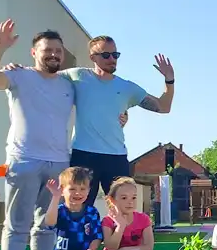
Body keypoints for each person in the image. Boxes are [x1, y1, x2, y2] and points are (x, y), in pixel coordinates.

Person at [0, 22, 128, 250]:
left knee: (47, 226)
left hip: (59, 164)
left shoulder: (68, 83)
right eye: (47, 49)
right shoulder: (18, 75)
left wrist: (121, 116)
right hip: (24, 160)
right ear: (34, 53)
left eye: (58, 51)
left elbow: (99, 103)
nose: (53, 54)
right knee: (17, 225)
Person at [64, 35, 175, 206]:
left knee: (124, 209)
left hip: (115, 157)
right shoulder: (78, 76)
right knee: (78, 209)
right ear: (93, 57)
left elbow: (163, 107)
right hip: (83, 155)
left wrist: (169, 80)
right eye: (106, 55)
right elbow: (45, 77)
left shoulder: (126, 87)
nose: (112, 59)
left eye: (115, 55)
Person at [41, 167, 103, 250]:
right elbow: (49, 223)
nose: (78, 193)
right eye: (72, 189)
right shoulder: (60, 211)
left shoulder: (92, 212)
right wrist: (56, 197)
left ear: (88, 190)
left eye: (82, 189)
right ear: (62, 190)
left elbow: (97, 237)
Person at [100, 177, 154, 250]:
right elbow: (111, 248)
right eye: (124, 198)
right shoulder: (107, 221)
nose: (130, 202)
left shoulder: (144, 219)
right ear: (112, 200)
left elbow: (148, 248)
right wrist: (120, 226)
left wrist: (125, 249)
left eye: (134, 198)